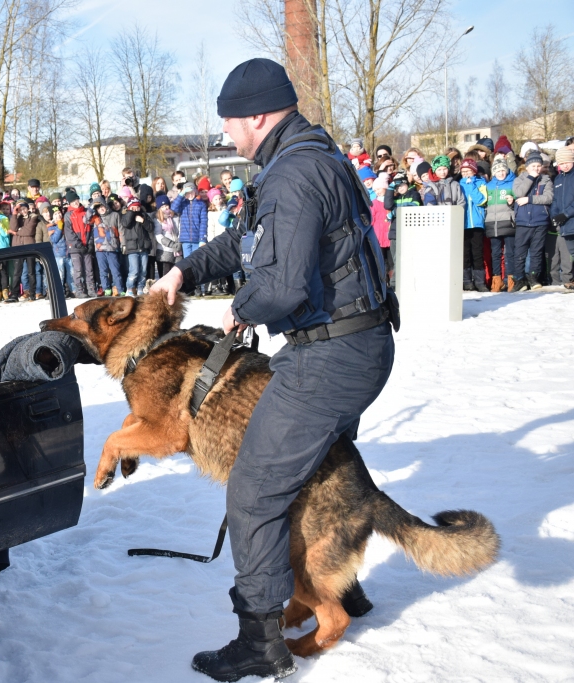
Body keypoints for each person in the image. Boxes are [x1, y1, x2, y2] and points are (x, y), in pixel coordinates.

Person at [151, 58, 394, 682]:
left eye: (229, 123)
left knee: (254, 488)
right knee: (315, 465)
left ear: (257, 115)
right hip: (348, 345)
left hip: (333, 353)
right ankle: (347, 587)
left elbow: (281, 287)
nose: (227, 136)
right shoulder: (305, 158)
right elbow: (245, 242)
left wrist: (241, 309)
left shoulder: (293, 173)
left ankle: (259, 641)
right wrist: (186, 270)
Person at [511, 150, 554, 291]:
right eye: (533, 166)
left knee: (536, 251)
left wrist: (529, 200)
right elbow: (519, 193)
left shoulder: (546, 180)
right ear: (527, 166)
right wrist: (530, 178)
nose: (536, 168)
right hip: (523, 221)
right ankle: (519, 279)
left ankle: (533, 277)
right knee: (520, 252)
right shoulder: (519, 180)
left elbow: (548, 198)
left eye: (538, 166)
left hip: (540, 221)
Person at [485, 158, 517, 291]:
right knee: (495, 253)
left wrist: (512, 200)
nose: (501, 173)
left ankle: (511, 280)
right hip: (492, 223)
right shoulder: (488, 186)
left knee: (510, 253)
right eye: (498, 171)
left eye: (503, 170)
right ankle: (497, 280)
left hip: (508, 221)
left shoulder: (513, 183)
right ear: (494, 172)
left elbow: (518, 197)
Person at [459, 159, 489, 292]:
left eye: (468, 171)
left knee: (477, 253)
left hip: (477, 223)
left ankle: (480, 281)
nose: (466, 174)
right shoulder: (458, 184)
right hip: (464, 224)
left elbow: (481, 200)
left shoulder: (481, 183)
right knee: (465, 253)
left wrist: (471, 186)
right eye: (463, 172)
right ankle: (467, 281)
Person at [63, 191, 95, 298]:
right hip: (75, 247)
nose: (75, 203)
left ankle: (91, 288)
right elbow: (69, 233)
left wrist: (90, 243)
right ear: (69, 203)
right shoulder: (68, 215)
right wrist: (78, 244)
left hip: (87, 245)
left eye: (76, 200)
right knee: (78, 269)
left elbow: (90, 229)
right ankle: (80, 289)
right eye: (72, 201)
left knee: (89, 268)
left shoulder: (86, 212)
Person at [550, 146, 574, 289]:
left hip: (570, 219)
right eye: (561, 163)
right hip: (565, 225)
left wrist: (565, 214)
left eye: (567, 162)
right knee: (572, 253)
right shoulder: (558, 179)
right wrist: (555, 215)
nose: (564, 165)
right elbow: (555, 201)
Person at [119, 199, 153, 296]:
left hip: (143, 248)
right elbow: (125, 223)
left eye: (137, 206)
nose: (136, 209)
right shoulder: (126, 215)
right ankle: (129, 288)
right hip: (132, 248)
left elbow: (151, 227)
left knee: (143, 271)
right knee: (134, 271)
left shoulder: (144, 215)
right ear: (129, 207)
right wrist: (131, 212)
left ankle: (140, 287)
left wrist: (143, 221)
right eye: (133, 207)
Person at [92, 200, 123, 296]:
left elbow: (121, 230)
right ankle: (106, 289)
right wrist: (91, 207)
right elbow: (85, 219)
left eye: (102, 206)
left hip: (112, 247)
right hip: (100, 248)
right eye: (98, 208)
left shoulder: (114, 215)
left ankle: (120, 289)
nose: (101, 209)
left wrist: (123, 244)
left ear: (106, 206)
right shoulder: (95, 218)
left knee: (115, 270)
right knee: (103, 271)